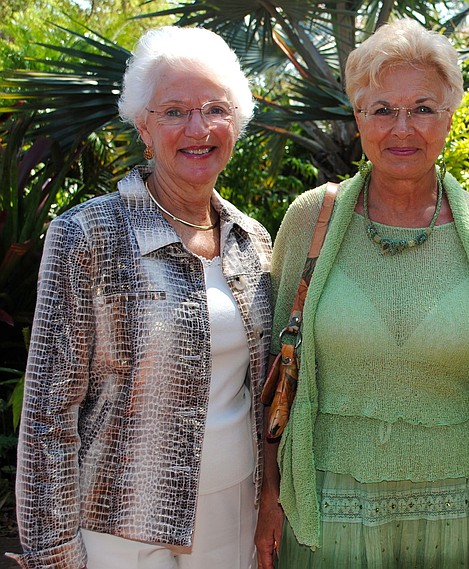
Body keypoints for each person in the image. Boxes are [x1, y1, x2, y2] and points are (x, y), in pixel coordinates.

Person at [254, 18, 469, 569]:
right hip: (326, 516)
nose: (402, 128)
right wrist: (270, 495)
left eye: (423, 108)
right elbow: (275, 372)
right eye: (382, 109)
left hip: (467, 518)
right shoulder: (311, 218)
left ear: (450, 116)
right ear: (358, 117)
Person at [11, 26, 273, 569]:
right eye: (174, 111)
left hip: (235, 515)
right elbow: (47, 414)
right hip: (118, 525)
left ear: (236, 124)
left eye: (215, 109)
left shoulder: (253, 242)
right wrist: (53, 554)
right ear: (143, 128)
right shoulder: (87, 234)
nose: (197, 128)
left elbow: (269, 394)